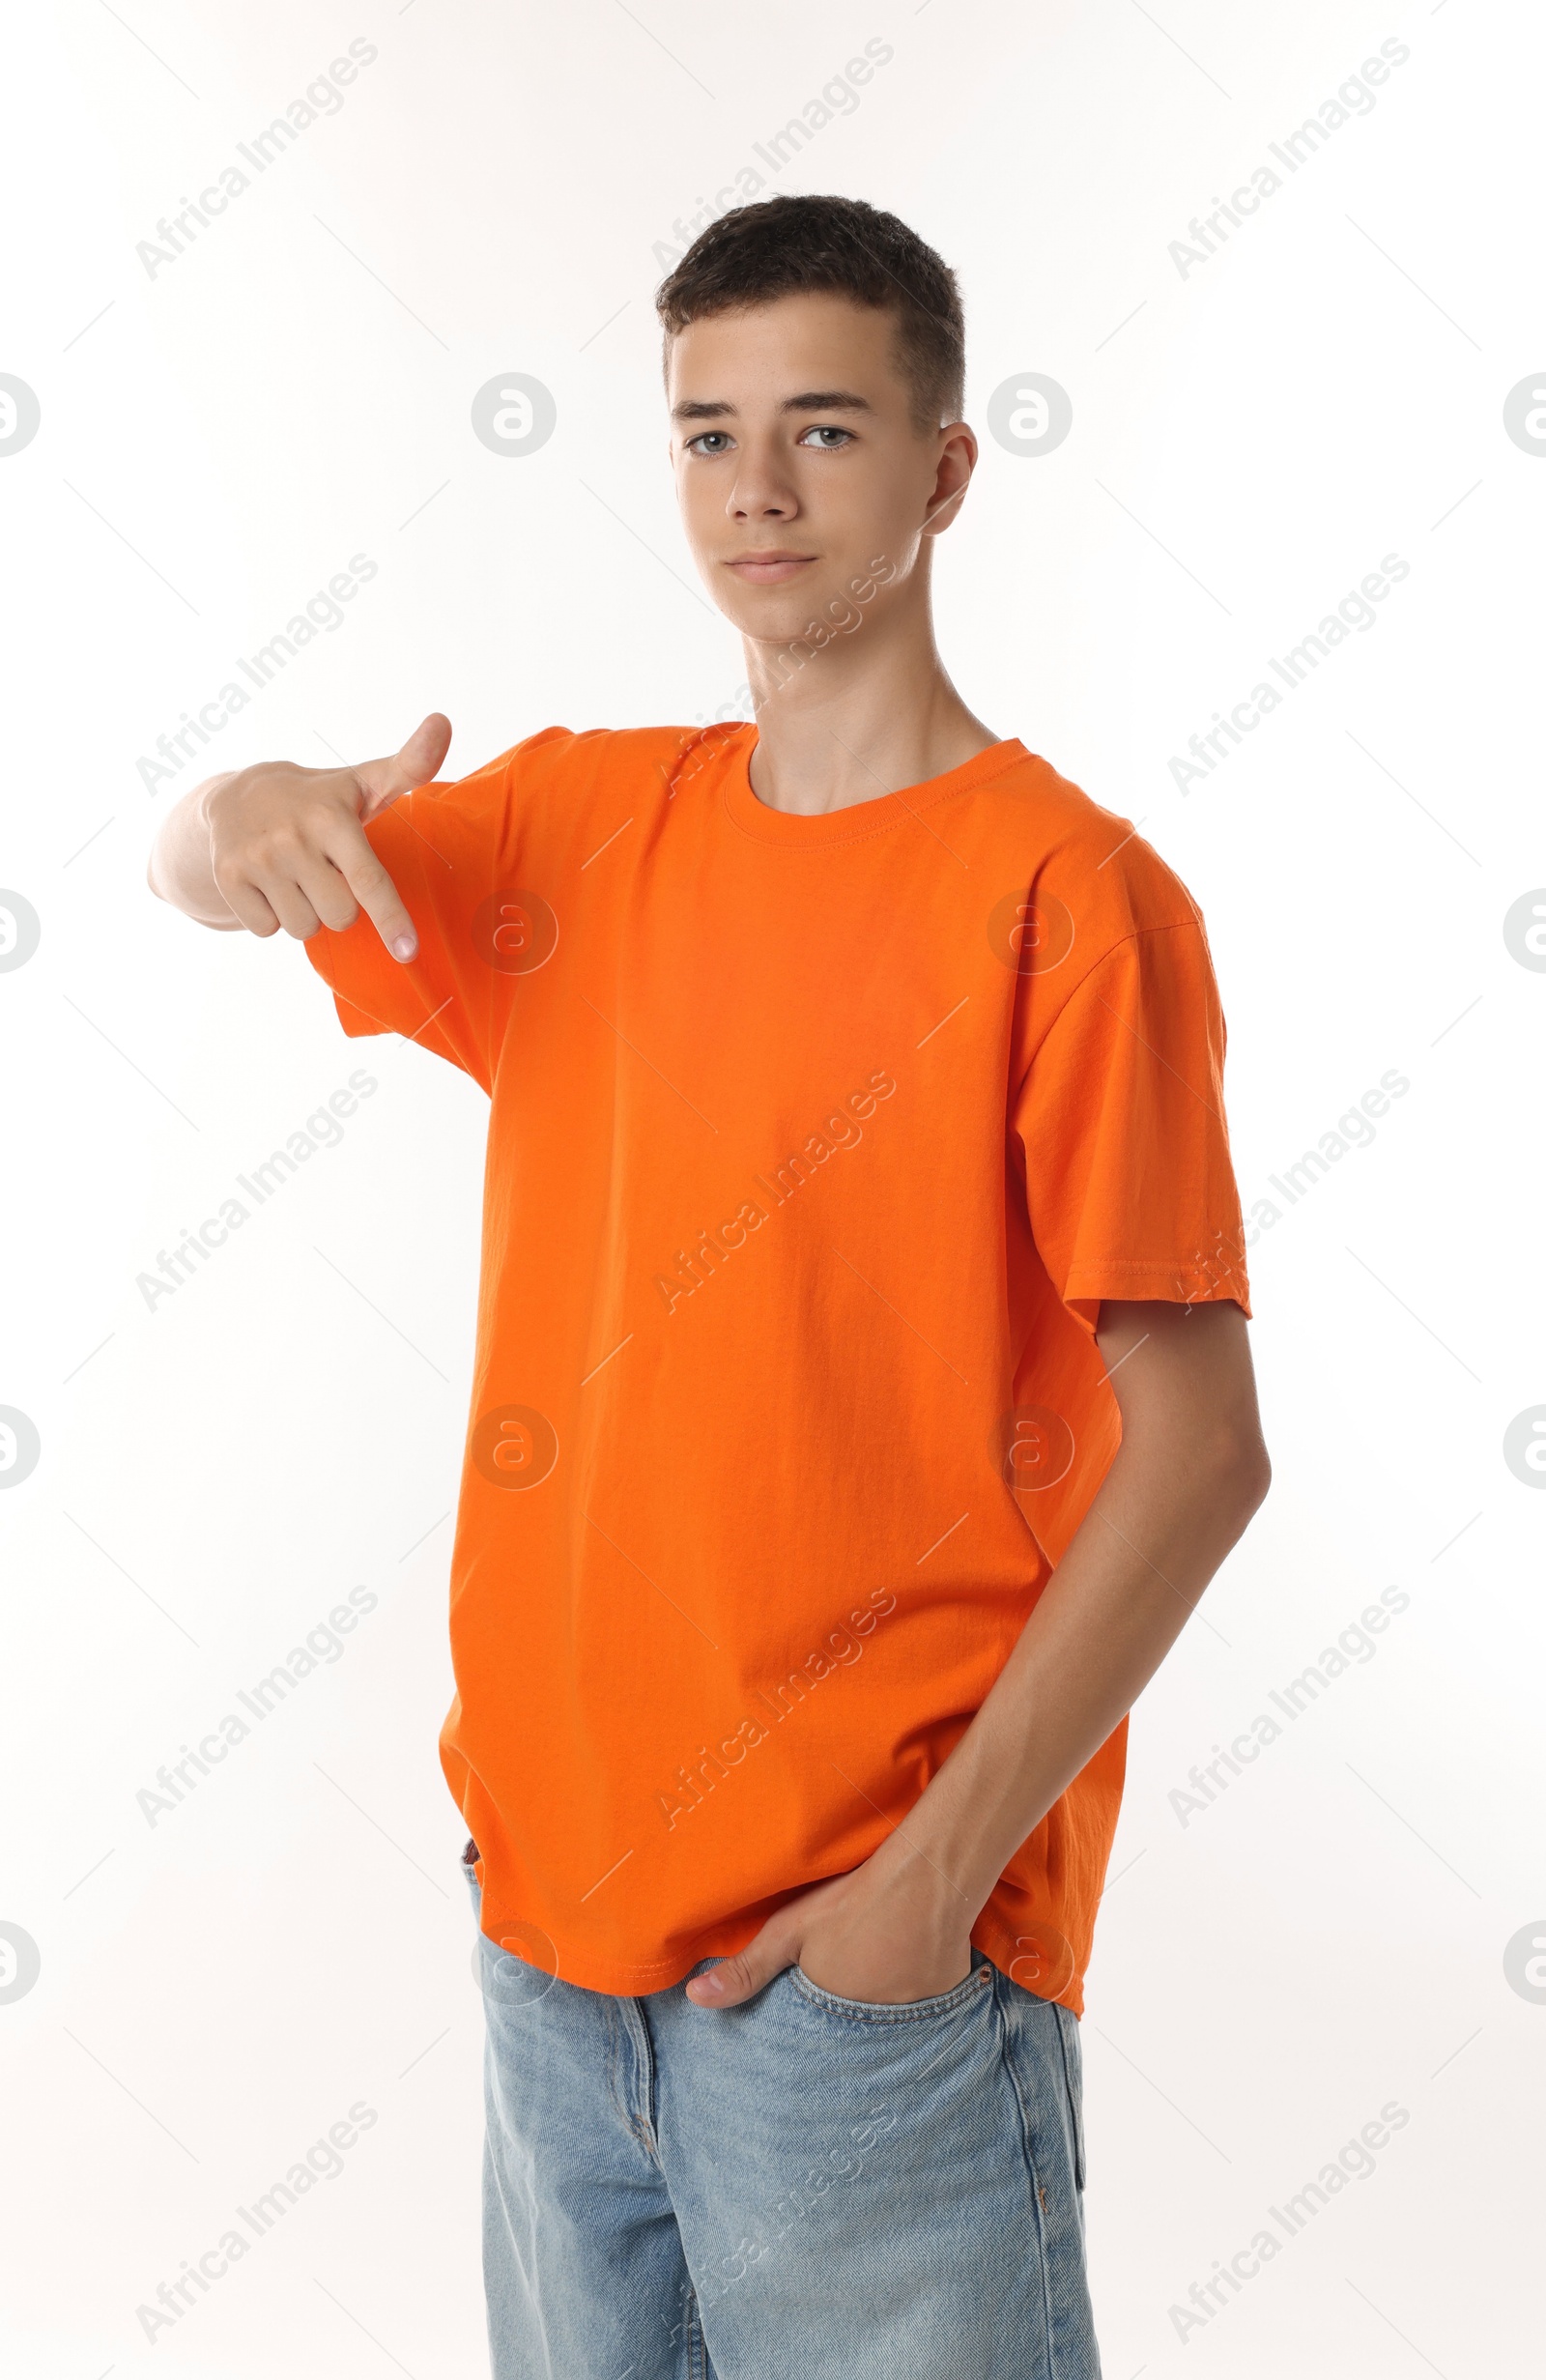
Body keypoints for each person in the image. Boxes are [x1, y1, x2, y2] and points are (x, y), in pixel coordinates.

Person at [148, 192, 1269, 2380]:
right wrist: (238, 804)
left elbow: (1202, 1445)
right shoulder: (578, 831)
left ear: (943, 470)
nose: (753, 490)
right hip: (548, 1966)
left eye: (823, 429)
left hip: (857, 1994)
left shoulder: (1068, 899)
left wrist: (923, 1893)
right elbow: (199, 871)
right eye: (702, 432)